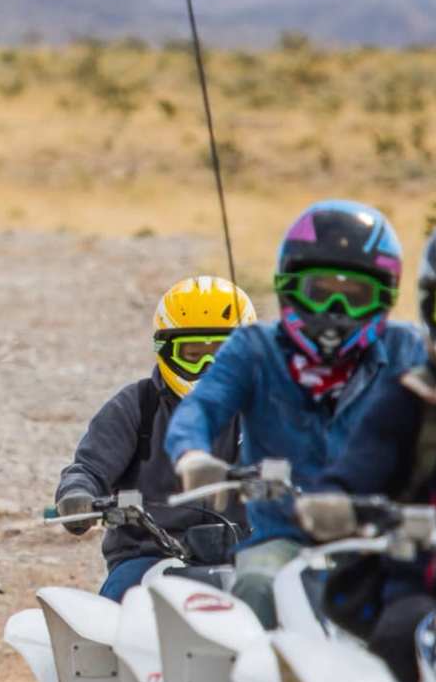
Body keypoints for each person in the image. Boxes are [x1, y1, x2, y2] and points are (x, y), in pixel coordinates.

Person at [167, 200, 424, 623]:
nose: (336, 310)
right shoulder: (253, 349)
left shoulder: (407, 349)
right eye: (320, 291)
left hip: (383, 539)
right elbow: (201, 407)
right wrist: (193, 456)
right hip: (284, 540)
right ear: (289, 288)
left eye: (356, 295)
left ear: (384, 297)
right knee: (256, 585)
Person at [55, 276, 257, 599]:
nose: (208, 367)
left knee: (300, 606)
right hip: (148, 557)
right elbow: (88, 469)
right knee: (114, 617)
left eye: (221, 355)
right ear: (164, 350)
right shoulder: (136, 405)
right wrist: (78, 494)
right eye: (193, 354)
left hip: (248, 556)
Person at [295, 230, 436, 682]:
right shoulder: (409, 400)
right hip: (421, 591)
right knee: (402, 635)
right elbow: (356, 472)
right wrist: (333, 504)